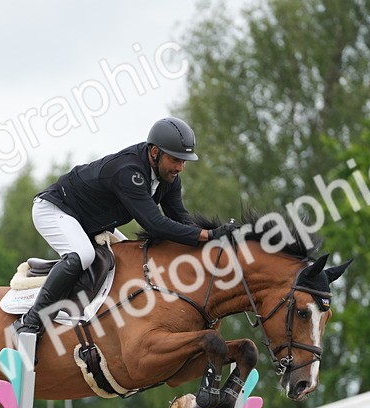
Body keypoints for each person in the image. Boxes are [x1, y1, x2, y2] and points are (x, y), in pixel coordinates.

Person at [14, 117, 239, 342]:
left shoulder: (169, 178)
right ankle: (31, 321)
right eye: (175, 159)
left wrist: (215, 237)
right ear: (154, 152)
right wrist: (207, 234)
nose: (180, 167)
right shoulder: (128, 172)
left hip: (90, 222)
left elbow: (180, 220)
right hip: (55, 209)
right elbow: (155, 224)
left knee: (129, 259)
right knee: (83, 255)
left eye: (184, 161)